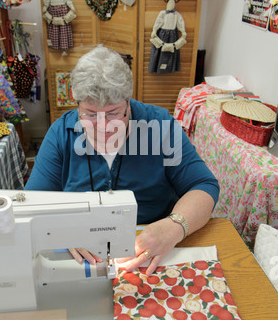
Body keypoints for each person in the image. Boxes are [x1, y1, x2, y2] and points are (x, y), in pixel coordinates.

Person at [25, 46, 220, 275]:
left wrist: (174, 227)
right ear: (76, 104)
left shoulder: (160, 126)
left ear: (128, 102)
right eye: (89, 114)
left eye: (113, 113)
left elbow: (204, 186)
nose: (103, 127)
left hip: (153, 251)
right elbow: (31, 204)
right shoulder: (61, 134)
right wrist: (63, 229)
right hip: (83, 256)